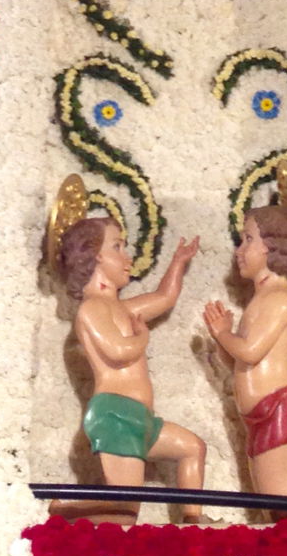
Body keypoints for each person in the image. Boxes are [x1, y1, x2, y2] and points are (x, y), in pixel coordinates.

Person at [57, 216, 208, 518]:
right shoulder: (93, 308)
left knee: (193, 448)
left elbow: (164, 298)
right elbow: (119, 351)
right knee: (126, 508)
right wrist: (142, 335)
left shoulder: (123, 308)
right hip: (115, 415)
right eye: (118, 247)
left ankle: (193, 521)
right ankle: (64, 507)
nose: (127, 257)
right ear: (94, 256)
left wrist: (178, 262)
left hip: (141, 418)